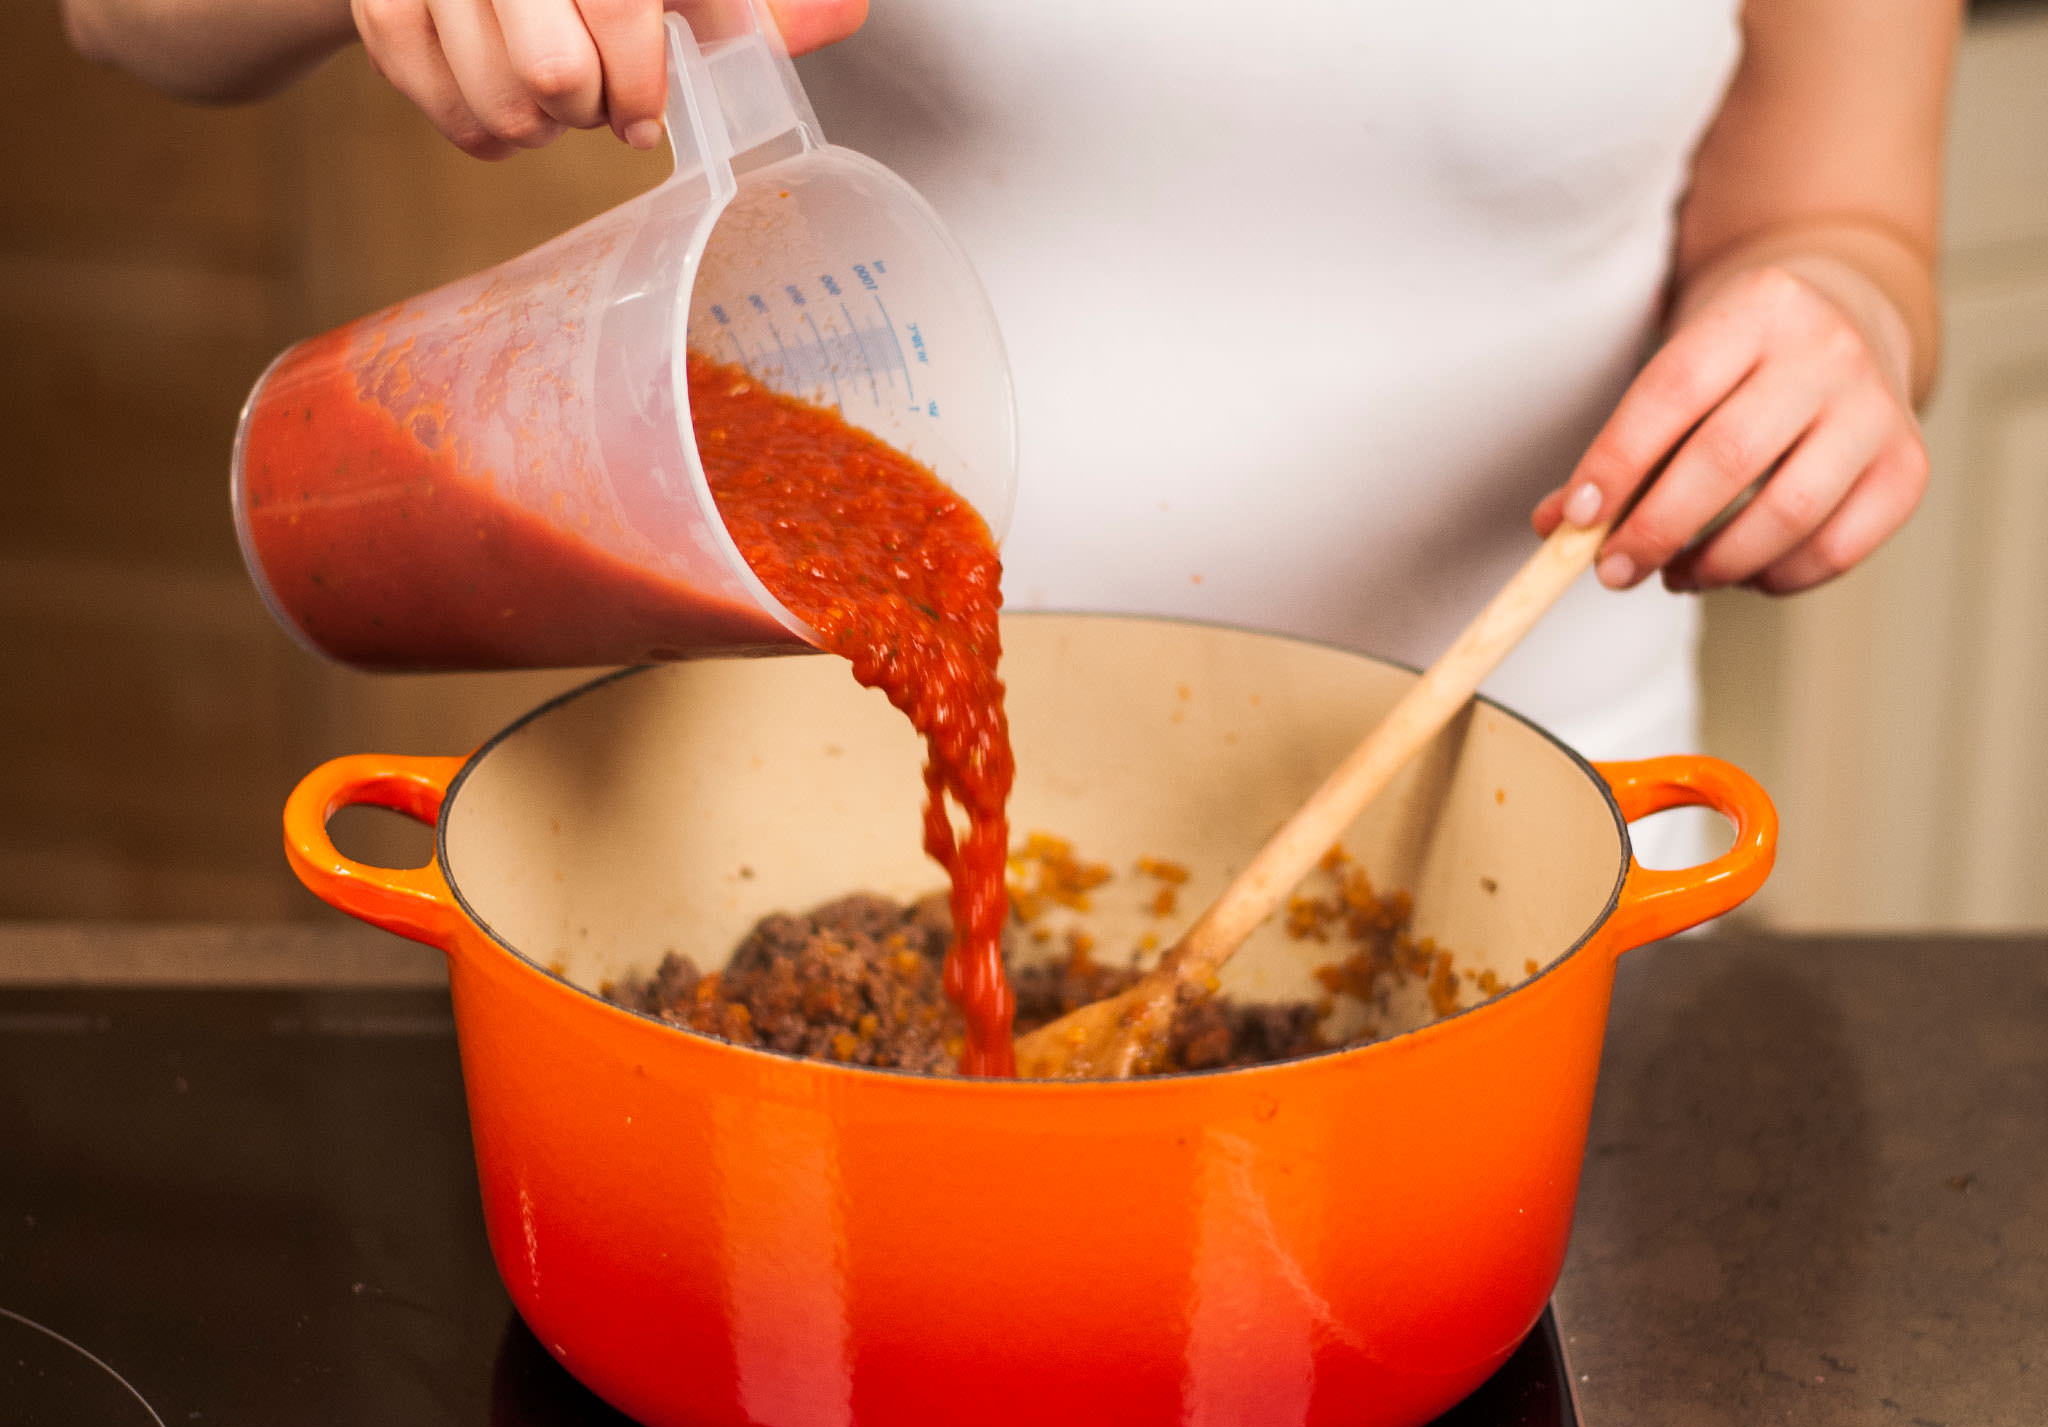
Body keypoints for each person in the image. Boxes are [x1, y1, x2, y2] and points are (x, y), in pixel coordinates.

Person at [65, 0, 1956, 865]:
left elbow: (1841, 215)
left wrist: (1837, 326)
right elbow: (130, 24)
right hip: (764, 846)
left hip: (1524, 853)